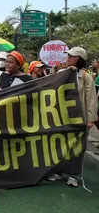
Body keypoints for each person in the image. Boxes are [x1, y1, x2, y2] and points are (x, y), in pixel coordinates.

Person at [48, 47, 98, 186]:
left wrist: (90, 119)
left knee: (77, 147)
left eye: (72, 56)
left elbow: (91, 99)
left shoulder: (86, 77)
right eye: (68, 55)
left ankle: (74, 175)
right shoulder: (63, 73)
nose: (68, 58)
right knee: (59, 144)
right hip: (62, 116)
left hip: (79, 118)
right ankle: (57, 171)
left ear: (79, 59)